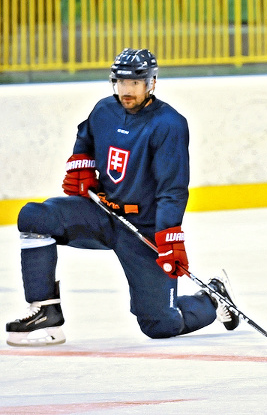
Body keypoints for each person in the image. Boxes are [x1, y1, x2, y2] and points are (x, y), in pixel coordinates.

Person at [6, 48, 238, 346]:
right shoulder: (105, 109)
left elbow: (172, 189)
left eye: (134, 84)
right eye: (121, 83)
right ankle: (45, 313)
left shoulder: (169, 124)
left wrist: (169, 237)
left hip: (143, 228)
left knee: (159, 324)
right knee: (35, 216)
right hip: (103, 214)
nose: (126, 91)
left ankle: (212, 299)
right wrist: (82, 165)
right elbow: (85, 137)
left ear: (151, 83)